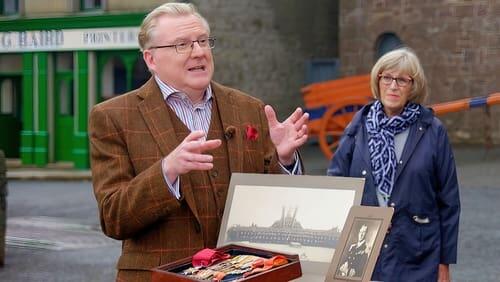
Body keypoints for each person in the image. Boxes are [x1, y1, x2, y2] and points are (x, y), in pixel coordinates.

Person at [88, 3, 308, 281]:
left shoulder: (248, 108)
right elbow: (113, 217)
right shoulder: (112, 117)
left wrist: (284, 160)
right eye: (182, 44)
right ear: (151, 59)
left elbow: (277, 208)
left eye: (203, 41)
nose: (199, 52)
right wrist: (167, 171)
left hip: (242, 273)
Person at [327, 48, 460, 282]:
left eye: (402, 80)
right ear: (377, 80)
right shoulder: (358, 127)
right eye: (386, 77)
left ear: (413, 86)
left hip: (418, 254)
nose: (393, 85)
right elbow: (336, 188)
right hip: (365, 255)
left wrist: (444, 265)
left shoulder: (433, 130)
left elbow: (449, 203)